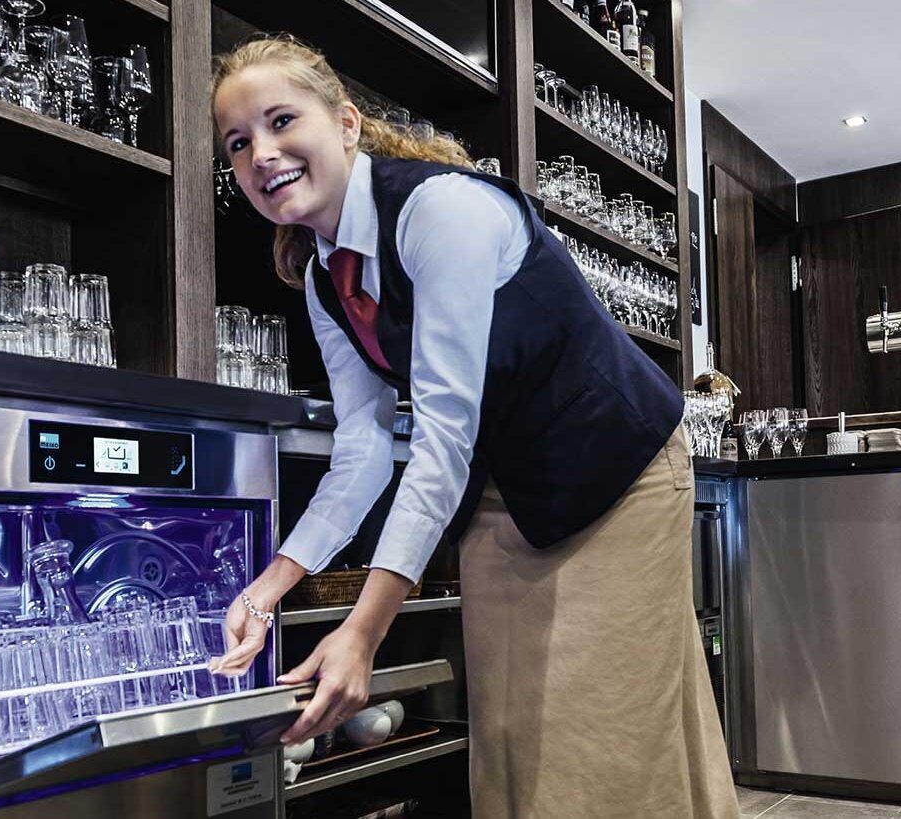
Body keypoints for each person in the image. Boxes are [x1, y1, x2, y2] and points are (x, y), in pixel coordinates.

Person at [206, 35, 738, 818]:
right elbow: (362, 450)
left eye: (282, 120)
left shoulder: (440, 210)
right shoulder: (324, 278)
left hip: (617, 475)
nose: (262, 153)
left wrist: (363, 632)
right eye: (238, 141)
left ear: (346, 124)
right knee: (516, 745)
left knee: (602, 746)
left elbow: (443, 438)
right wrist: (265, 590)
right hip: (506, 495)